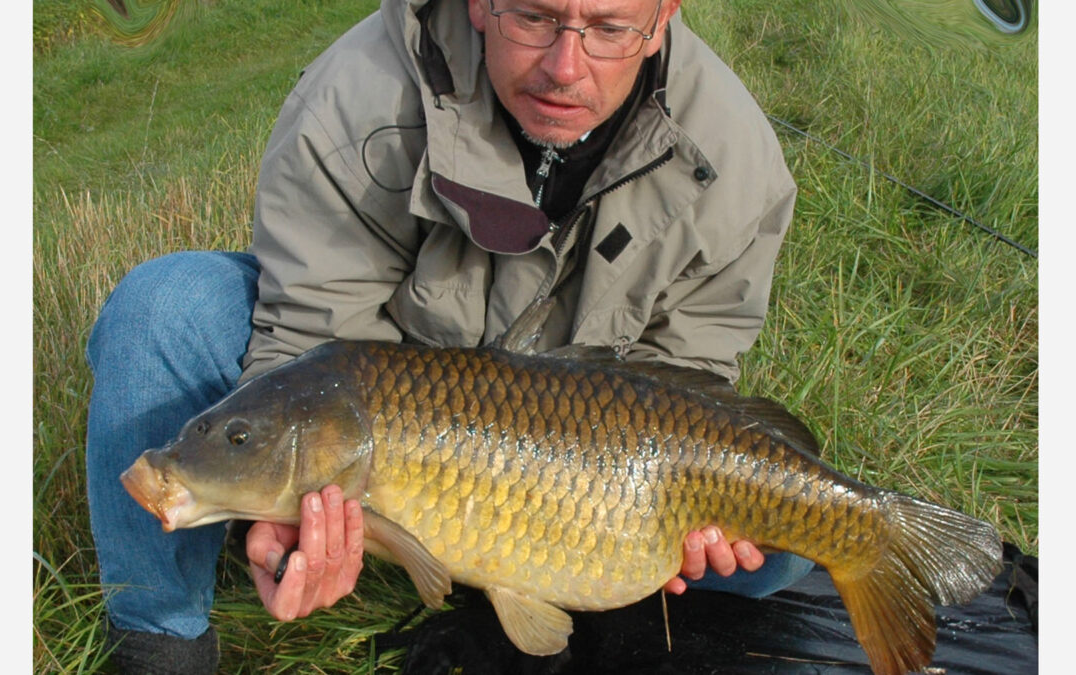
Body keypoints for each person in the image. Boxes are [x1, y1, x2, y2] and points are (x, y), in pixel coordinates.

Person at [85, 0, 808, 672]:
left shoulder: (735, 159)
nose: (564, 65)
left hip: (582, 445)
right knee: (164, 308)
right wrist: (292, 515)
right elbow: (313, 341)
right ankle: (159, 636)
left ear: (665, 14)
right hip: (392, 396)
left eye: (610, 29)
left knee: (782, 556)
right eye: (534, 16)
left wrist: (681, 515)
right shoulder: (355, 96)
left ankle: (528, 570)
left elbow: (682, 380)